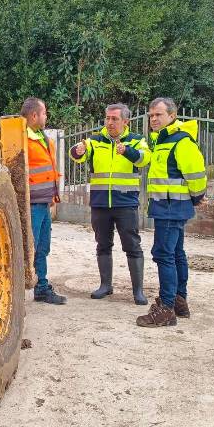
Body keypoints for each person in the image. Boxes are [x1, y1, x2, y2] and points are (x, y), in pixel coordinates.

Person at [70, 103, 151, 305]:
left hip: (126, 204)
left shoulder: (137, 140)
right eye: (107, 118)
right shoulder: (95, 141)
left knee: (132, 246)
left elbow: (143, 159)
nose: (109, 122)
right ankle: (105, 286)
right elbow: (76, 155)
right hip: (100, 203)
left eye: (114, 119)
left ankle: (138, 291)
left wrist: (128, 152)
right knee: (103, 245)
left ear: (126, 122)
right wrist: (78, 150)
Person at [136, 98, 207, 327]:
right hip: (168, 207)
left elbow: (196, 175)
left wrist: (196, 198)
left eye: (158, 115)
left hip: (170, 209)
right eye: (151, 115)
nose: (153, 119)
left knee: (163, 254)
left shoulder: (180, 141)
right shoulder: (162, 141)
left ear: (172, 116)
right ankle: (178, 301)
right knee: (176, 253)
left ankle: (166, 308)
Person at [22, 97, 67, 305]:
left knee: (42, 247)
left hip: (43, 202)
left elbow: (50, 170)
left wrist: (53, 197)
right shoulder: (21, 139)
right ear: (34, 115)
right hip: (31, 204)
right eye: (44, 112)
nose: (46, 116)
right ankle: (32, 286)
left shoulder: (43, 138)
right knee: (31, 247)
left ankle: (41, 287)